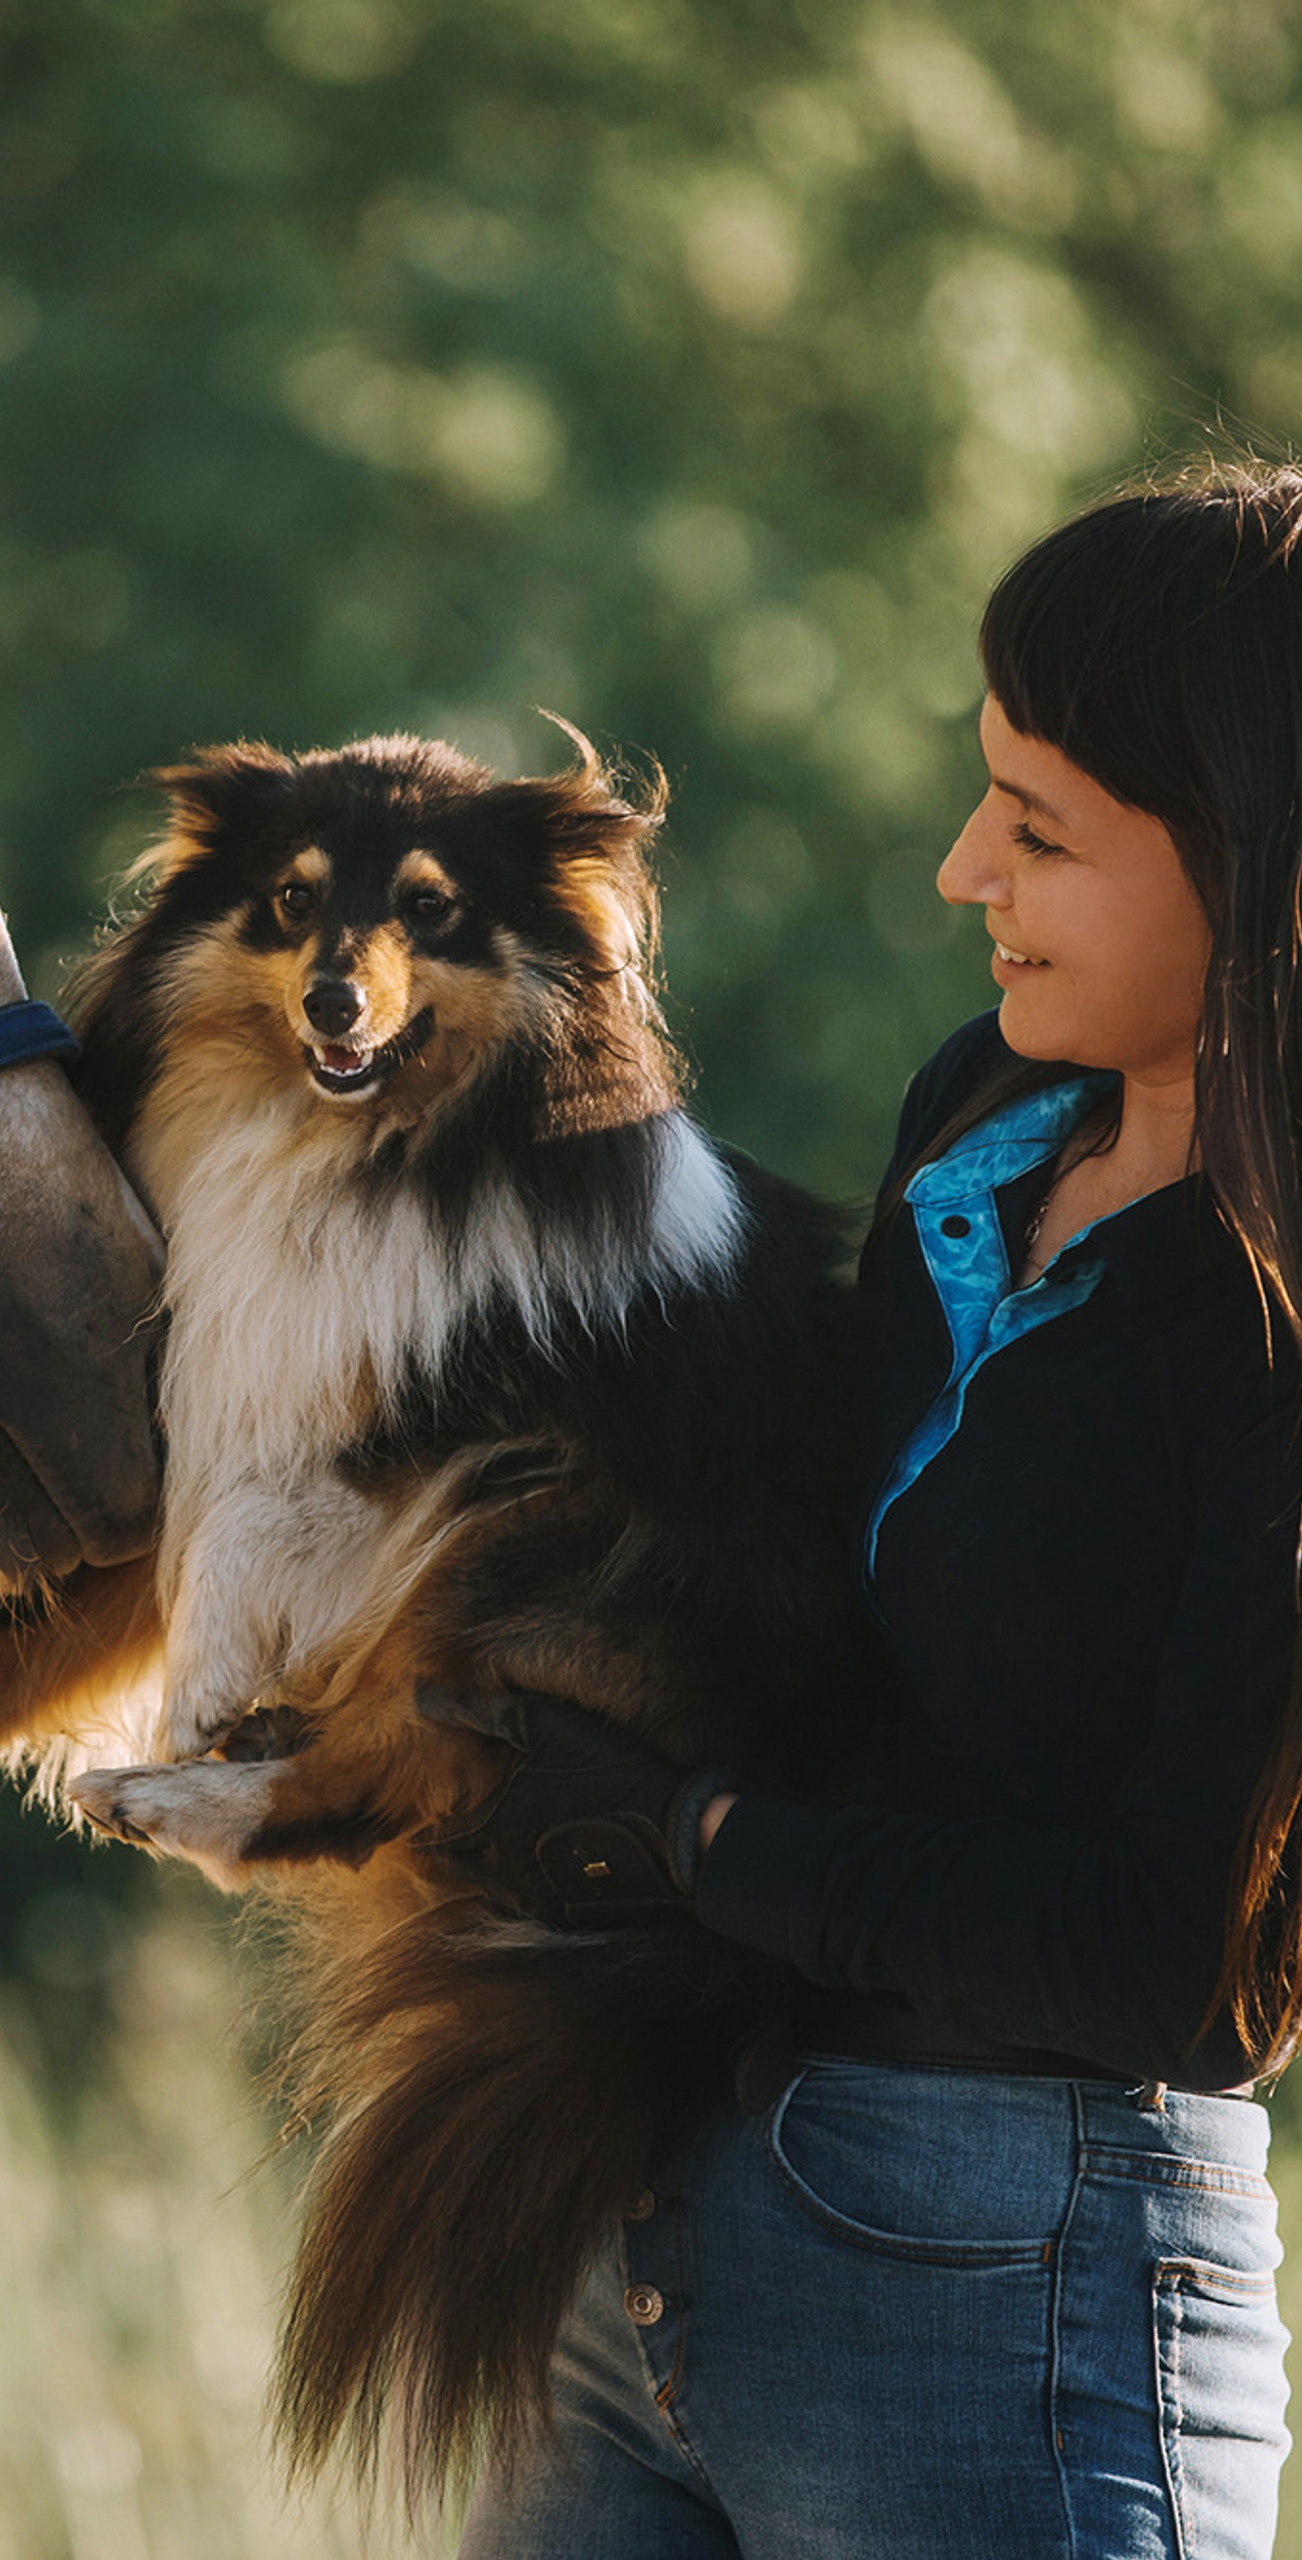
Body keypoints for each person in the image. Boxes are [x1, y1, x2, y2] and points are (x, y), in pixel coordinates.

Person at [434, 463, 1302, 2557]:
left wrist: (705, 1848)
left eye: (1038, 830)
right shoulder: (981, 1111)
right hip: (646, 2215)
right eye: (976, 792)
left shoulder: (1271, 1331)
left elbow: (1186, 1972)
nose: (953, 869)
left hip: (1012, 2294)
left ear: (1261, 866)